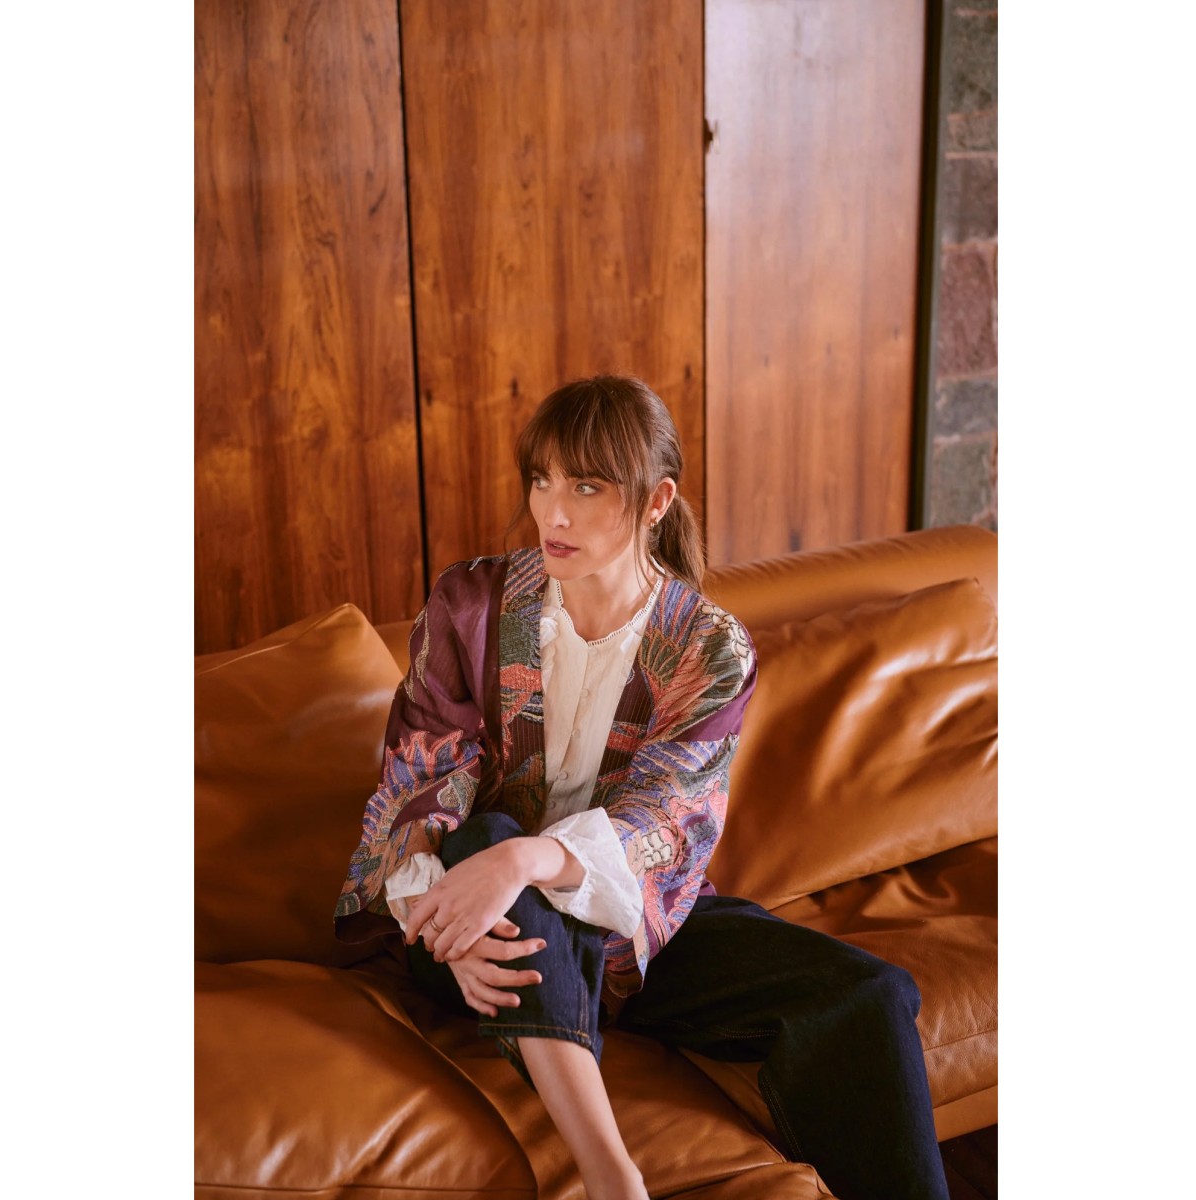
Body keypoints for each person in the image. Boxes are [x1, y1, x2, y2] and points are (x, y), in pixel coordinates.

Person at [335, 375, 949, 1200]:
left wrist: (532, 860)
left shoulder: (709, 647)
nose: (553, 512)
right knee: (488, 841)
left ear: (656, 501)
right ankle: (613, 1178)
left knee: (868, 994)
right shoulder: (470, 606)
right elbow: (419, 779)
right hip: (475, 922)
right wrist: (445, 923)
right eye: (542, 480)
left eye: (586, 487)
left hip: (633, 929)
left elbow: (667, 822)